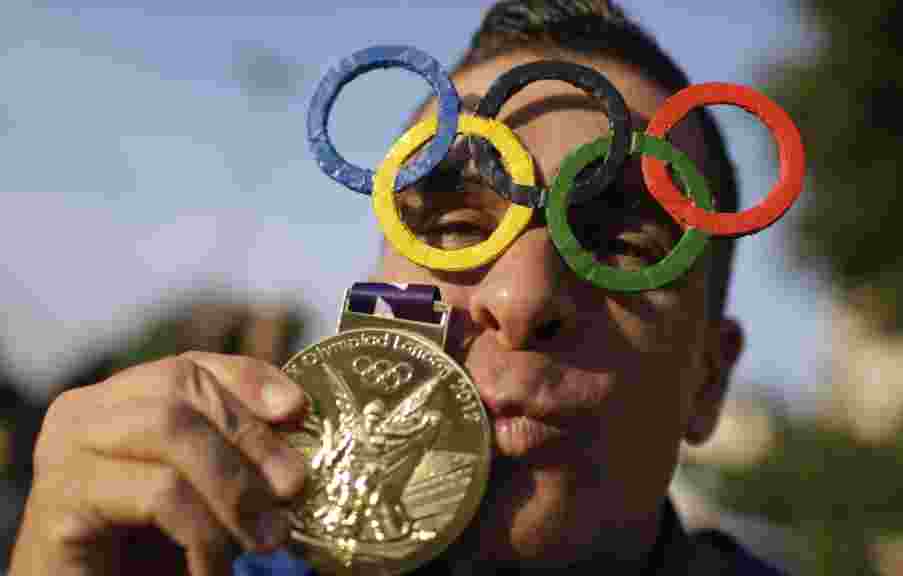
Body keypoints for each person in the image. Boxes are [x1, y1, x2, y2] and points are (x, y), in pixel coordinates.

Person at [7, 1, 790, 574]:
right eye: (451, 228)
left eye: (621, 245)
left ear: (710, 380)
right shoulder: (175, 562)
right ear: (373, 304)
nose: (519, 302)